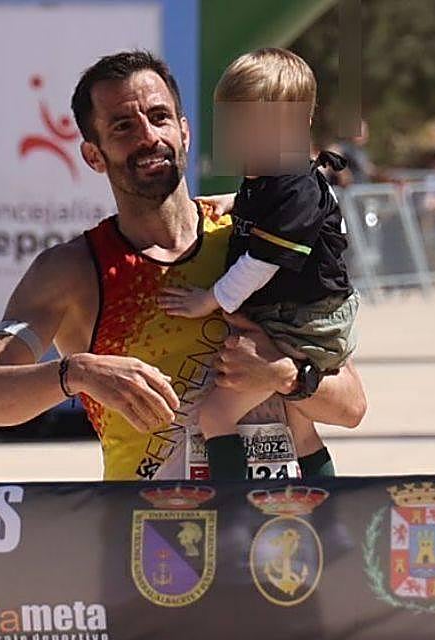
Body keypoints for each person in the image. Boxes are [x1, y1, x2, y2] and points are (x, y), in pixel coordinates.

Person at [0, 51, 365, 640]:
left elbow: (353, 402)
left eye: (156, 115)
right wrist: (73, 372)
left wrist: (283, 371)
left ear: (183, 125)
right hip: (154, 549)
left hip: (275, 527)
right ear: (92, 151)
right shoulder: (73, 271)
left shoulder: (257, 237)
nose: (144, 134)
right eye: (120, 124)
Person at [159, 48, 359, 483]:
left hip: (303, 322)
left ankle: (233, 509)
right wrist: (230, 203)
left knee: (215, 416)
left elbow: (263, 261)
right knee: (300, 425)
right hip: (302, 315)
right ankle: (331, 519)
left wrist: (209, 301)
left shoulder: (296, 186)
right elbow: (267, 210)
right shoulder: (273, 178)